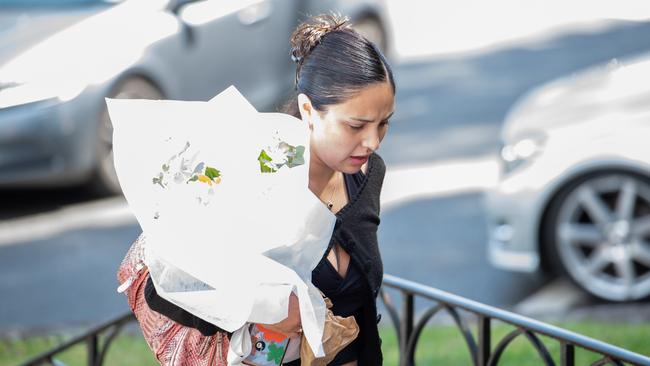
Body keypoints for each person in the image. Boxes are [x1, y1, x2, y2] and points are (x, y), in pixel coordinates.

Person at [143, 12, 396, 365]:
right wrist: (265, 311)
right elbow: (164, 290)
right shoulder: (257, 176)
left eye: (384, 123)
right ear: (309, 110)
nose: (373, 141)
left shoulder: (367, 176)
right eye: (357, 125)